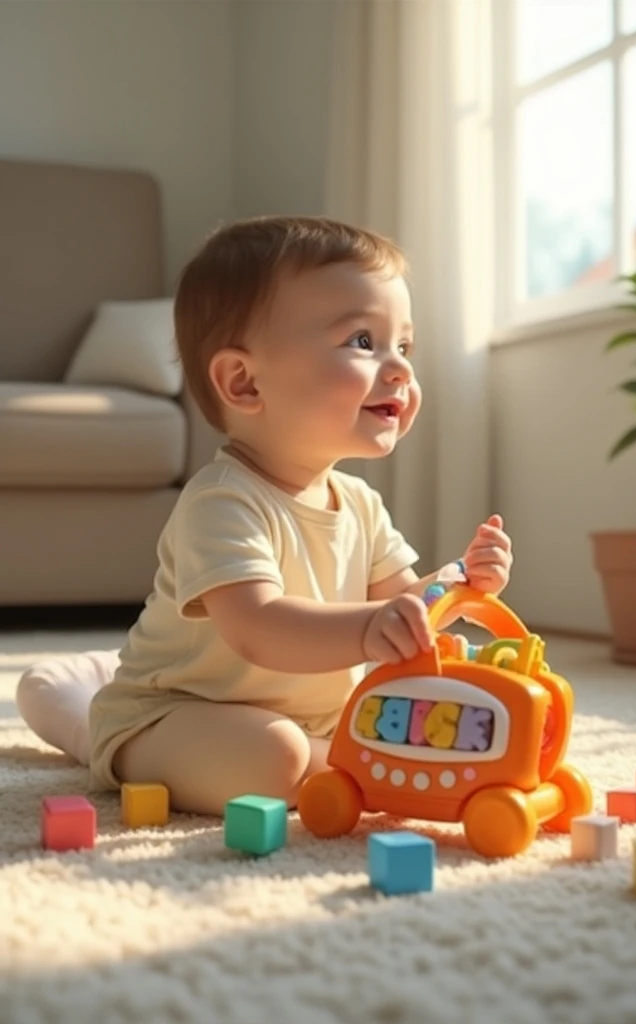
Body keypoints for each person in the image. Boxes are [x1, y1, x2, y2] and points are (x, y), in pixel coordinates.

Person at [16, 216, 513, 817]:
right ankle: (94, 725)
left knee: (390, 721)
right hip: (178, 710)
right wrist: (368, 628)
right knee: (275, 759)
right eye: (363, 341)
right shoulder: (222, 501)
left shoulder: (360, 504)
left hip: (307, 720)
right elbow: (258, 627)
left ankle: (331, 758)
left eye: (403, 346)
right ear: (244, 382)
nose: (401, 368)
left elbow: (409, 605)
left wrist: (458, 582)